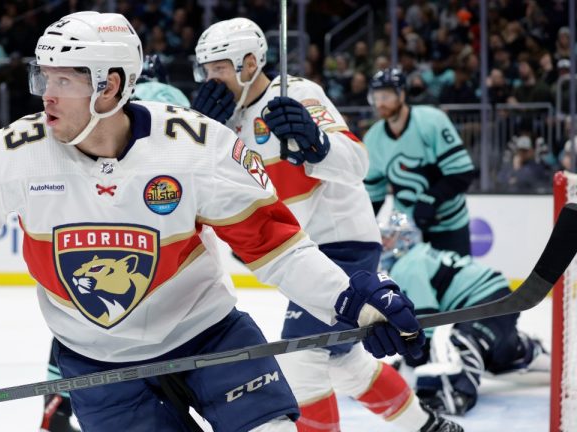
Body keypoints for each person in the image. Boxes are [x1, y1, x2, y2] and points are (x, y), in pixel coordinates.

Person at [0, 12, 425, 432]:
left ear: (110, 85)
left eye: (64, 80)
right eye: (43, 76)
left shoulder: (197, 145)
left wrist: (350, 301)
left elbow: (276, 247)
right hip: (98, 362)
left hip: (209, 338)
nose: (45, 94)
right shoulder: (12, 155)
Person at [191, 17, 459, 432]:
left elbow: (357, 164)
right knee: (343, 363)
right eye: (205, 70)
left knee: (301, 357)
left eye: (218, 68)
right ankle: (428, 427)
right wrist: (200, 134)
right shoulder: (224, 126)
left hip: (341, 245)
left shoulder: (297, 93)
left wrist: (316, 144)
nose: (211, 79)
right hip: (299, 255)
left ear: (248, 63)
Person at [40, 53, 190, 432]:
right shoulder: (172, 99)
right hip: (160, 222)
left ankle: (57, 399)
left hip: (96, 210)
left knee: (80, 320)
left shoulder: (99, 105)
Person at [379, 212, 549, 415]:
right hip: (493, 293)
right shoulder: (416, 256)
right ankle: (524, 350)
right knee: (495, 353)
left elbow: (425, 320)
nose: (383, 243)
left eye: (388, 237)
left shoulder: (408, 266)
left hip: (486, 298)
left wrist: (416, 359)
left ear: (404, 239)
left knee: (464, 340)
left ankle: (460, 394)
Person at [364, 68, 475, 256]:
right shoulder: (373, 138)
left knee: (455, 282)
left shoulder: (431, 121)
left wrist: (430, 199)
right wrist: (363, 228)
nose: (380, 103)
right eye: (376, 97)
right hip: (405, 225)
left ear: (402, 94)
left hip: (448, 221)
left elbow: (462, 173)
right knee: (404, 281)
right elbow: (373, 194)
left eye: (386, 96)